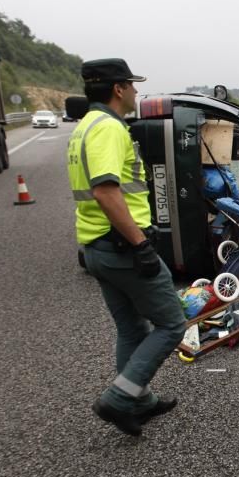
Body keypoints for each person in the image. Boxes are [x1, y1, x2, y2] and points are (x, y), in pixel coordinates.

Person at [66, 58, 185, 437]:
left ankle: (139, 399)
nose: (135, 91)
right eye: (131, 85)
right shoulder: (108, 129)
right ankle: (119, 399)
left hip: (97, 247)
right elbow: (104, 190)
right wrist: (141, 246)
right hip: (121, 246)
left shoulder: (85, 126)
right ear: (118, 89)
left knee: (132, 328)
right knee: (171, 324)